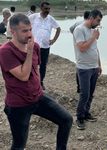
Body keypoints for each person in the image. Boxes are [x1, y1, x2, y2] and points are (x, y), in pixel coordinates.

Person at [0, 13, 72, 150]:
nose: (29, 34)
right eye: (24, 31)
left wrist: (38, 88)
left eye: (30, 29)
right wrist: (29, 51)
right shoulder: (5, 52)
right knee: (19, 145)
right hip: (18, 105)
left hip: (37, 97)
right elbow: (23, 75)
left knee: (66, 120)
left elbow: (35, 71)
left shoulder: (36, 47)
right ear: (13, 32)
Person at [73, 9, 102, 130]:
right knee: (84, 94)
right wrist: (93, 37)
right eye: (98, 20)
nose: (99, 23)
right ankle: (79, 117)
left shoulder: (92, 30)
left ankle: (86, 113)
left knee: (90, 93)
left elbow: (95, 49)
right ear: (91, 17)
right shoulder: (79, 29)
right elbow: (82, 48)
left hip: (94, 67)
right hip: (84, 68)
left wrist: (99, 64)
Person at [29, 2, 61, 90]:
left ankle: (41, 82)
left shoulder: (51, 19)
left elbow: (58, 29)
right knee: (32, 64)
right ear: (41, 8)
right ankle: (31, 81)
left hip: (45, 47)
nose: (48, 11)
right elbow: (25, 25)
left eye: (49, 9)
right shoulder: (33, 17)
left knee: (43, 65)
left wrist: (53, 40)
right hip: (34, 46)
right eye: (46, 9)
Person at [70, 11, 90, 93]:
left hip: (77, 46)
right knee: (86, 67)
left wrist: (75, 36)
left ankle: (79, 87)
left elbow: (71, 29)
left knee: (79, 66)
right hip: (86, 47)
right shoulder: (89, 25)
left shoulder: (77, 23)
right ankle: (84, 87)